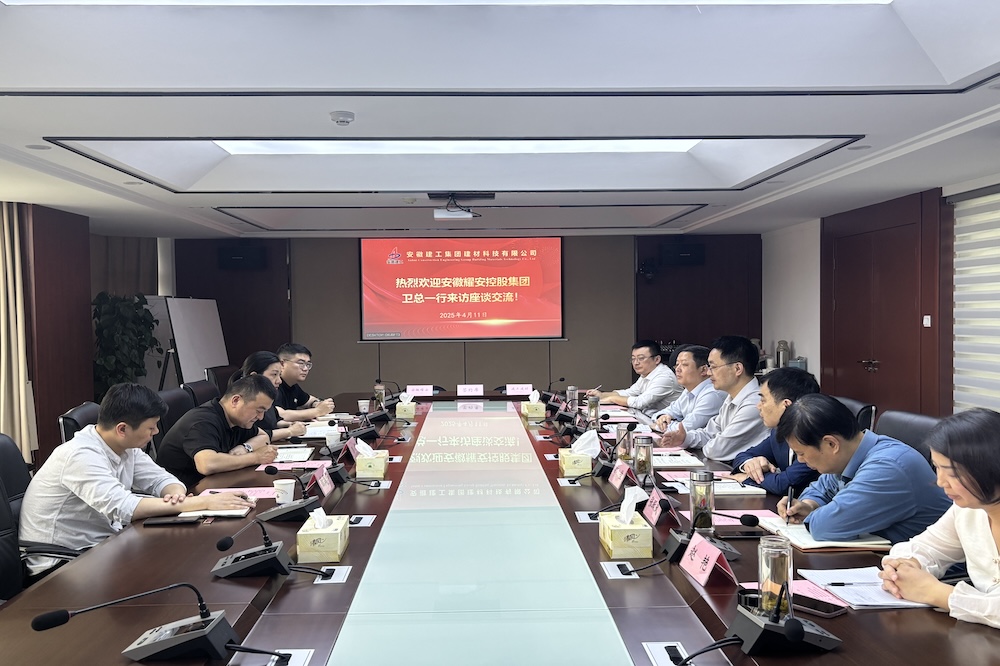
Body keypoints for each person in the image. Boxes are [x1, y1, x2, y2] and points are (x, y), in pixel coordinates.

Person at [19, 383, 253, 576]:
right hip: (61, 563)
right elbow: (123, 507)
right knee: (168, 572)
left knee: (182, 560)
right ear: (122, 429)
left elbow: (159, 478)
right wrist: (201, 502)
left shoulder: (125, 446)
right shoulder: (79, 455)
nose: (156, 432)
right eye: (151, 427)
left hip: (104, 544)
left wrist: (176, 494)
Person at [879, 408, 1000, 629]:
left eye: (952, 473)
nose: (941, 482)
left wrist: (937, 593)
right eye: (937, 467)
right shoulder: (967, 509)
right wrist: (903, 568)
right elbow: (927, 547)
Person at [777, 393, 951, 544]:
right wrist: (808, 505)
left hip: (931, 569)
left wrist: (816, 514)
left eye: (801, 453)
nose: (800, 460)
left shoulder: (887, 467)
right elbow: (820, 489)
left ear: (831, 444)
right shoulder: (849, 455)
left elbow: (825, 527)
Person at [156, 375, 279, 489]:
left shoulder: (237, 420)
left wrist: (245, 448)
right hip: (183, 493)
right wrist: (256, 457)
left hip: (213, 484)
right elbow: (207, 464)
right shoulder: (202, 422)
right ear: (236, 401)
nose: (261, 417)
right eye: (259, 410)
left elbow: (263, 436)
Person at [660, 335, 769, 462]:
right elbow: (709, 433)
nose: (708, 372)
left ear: (737, 369)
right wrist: (684, 438)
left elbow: (717, 450)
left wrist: (701, 442)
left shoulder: (754, 403)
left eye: (713, 367)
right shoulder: (732, 397)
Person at [729, 367, 821, 494]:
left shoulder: (814, 438)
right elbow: (742, 456)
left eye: (763, 400)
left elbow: (783, 484)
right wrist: (751, 464)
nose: (758, 406)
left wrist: (747, 478)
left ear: (786, 405)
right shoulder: (778, 433)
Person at [586, 340, 682, 419]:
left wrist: (612, 399)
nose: (636, 363)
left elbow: (640, 402)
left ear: (657, 359)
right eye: (633, 359)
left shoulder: (664, 377)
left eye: (641, 358)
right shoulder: (647, 374)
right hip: (649, 418)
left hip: (666, 424)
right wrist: (602, 395)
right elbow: (629, 392)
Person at [651, 344, 726, 434]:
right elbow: (667, 411)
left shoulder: (713, 394)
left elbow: (684, 428)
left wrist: (658, 426)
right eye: (677, 365)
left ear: (703, 370)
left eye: (684, 365)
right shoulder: (688, 390)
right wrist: (662, 417)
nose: (677, 369)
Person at [236, 351, 308, 442]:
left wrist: (290, 425)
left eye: (279, 375)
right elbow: (252, 435)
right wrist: (289, 431)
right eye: (274, 374)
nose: (279, 381)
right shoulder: (243, 401)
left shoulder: (266, 396)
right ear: (254, 376)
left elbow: (275, 420)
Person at [275, 343, 335, 422]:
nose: (305, 369)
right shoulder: (273, 384)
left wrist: (317, 404)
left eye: (308, 364)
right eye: (301, 363)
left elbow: (309, 400)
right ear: (282, 364)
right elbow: (279, 415)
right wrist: (318, 411)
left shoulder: (293, 385)